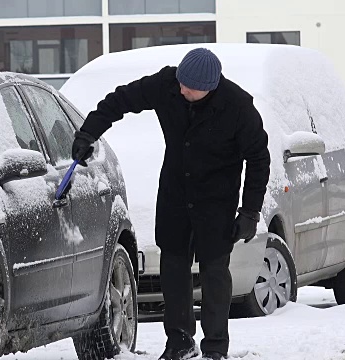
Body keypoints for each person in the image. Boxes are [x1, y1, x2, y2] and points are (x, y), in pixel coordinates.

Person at [71, 47, 270, 360]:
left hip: (216, 201)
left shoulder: (237, 106)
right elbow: (121, 100)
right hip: (176, 194)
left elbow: (259, 158)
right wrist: (88, 133)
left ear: (209, 87)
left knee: (214, 273)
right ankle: (179, 341)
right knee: (173, 268)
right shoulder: (169, 83)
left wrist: (249, 211)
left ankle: (215, 346)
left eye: (188, 87)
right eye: (180, 82)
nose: (181, 89)